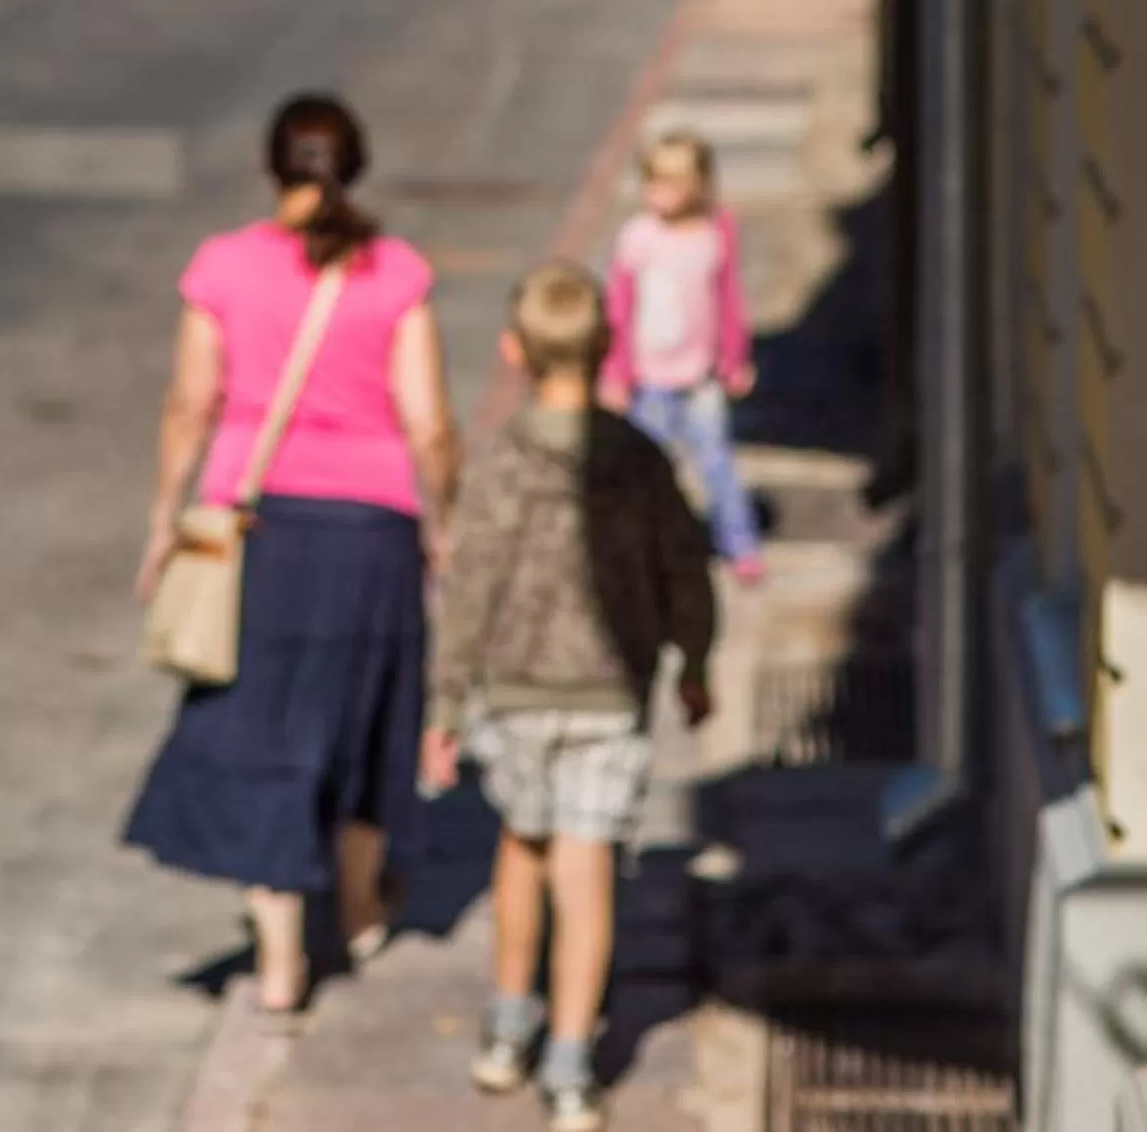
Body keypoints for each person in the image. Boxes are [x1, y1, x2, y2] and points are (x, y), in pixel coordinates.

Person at [125, 93, 461, 1019]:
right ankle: (356, 909)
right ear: (353, 167)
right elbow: (429, 423)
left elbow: (190, 406)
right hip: (373, 529)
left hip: (258, 523)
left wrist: (165, 519)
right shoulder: (395, 273)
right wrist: (441, 523)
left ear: (273, 167)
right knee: (365, 718)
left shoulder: (223, 268)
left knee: (258, 729)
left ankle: (278, 965)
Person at [421, 262, 714, 1132]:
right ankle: (573, 1062)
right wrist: (695, 662)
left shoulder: (504, 462)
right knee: (588, 871)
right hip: (609, 691)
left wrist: (445, 706)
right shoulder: (639, 460)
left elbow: (469, 588)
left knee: (522, 846)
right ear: (608, 347)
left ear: (514, 352)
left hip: (514, 691)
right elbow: (683, 572)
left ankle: (509, 1024)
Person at [603, 131, 763, 581]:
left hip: (700, 376)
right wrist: (616, 371)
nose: (657, 195)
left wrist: (735, 358)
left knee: (717, 462)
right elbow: (620, 307)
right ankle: (645, 548)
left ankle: (740, 543)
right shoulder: (638, 238)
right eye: (651, 183)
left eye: (669, 184)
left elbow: (729, 299)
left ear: (697, 186)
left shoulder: (717, 232)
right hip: (649, 377)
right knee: (648, 469)